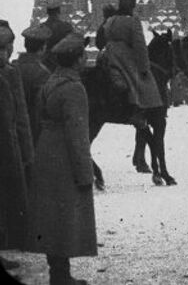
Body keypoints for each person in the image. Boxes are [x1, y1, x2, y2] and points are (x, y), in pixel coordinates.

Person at [26, 33, 96, 285]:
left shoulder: (49, 82)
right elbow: (78, 135)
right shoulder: (74, 88)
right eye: (83, 55)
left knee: (50, 217)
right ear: (77, 60)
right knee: (65, 216)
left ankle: (58, 271)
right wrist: (85, 173)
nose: (85, 58)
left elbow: (37, 119)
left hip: (46, 152)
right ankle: (61, 277)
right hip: (65, 157)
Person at [100, 0, 162, 125]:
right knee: (143, 83)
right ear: (132, 5)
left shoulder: (110, 20)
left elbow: (101, 39)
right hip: (124, 58)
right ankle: (138, 112)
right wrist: (144, 67)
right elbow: (140, 46)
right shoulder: (133, 22)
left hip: (108, 56)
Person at [0, 25, 30, 272]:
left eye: (7, 47)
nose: (7, 52)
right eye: (3, 48)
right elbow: (19, 118)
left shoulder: (10, 72)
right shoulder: (8, 74)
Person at [13, 24, 52, 146]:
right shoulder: (42, 73)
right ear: (43, 47)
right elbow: (38, 111)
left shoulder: (13, 68)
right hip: (30, 133)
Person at [41, 0, 74, 71]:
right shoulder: (66, 27)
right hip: (62, 63)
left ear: (47, 13)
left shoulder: (41, 28)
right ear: (58, 12)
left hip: (45, 64)